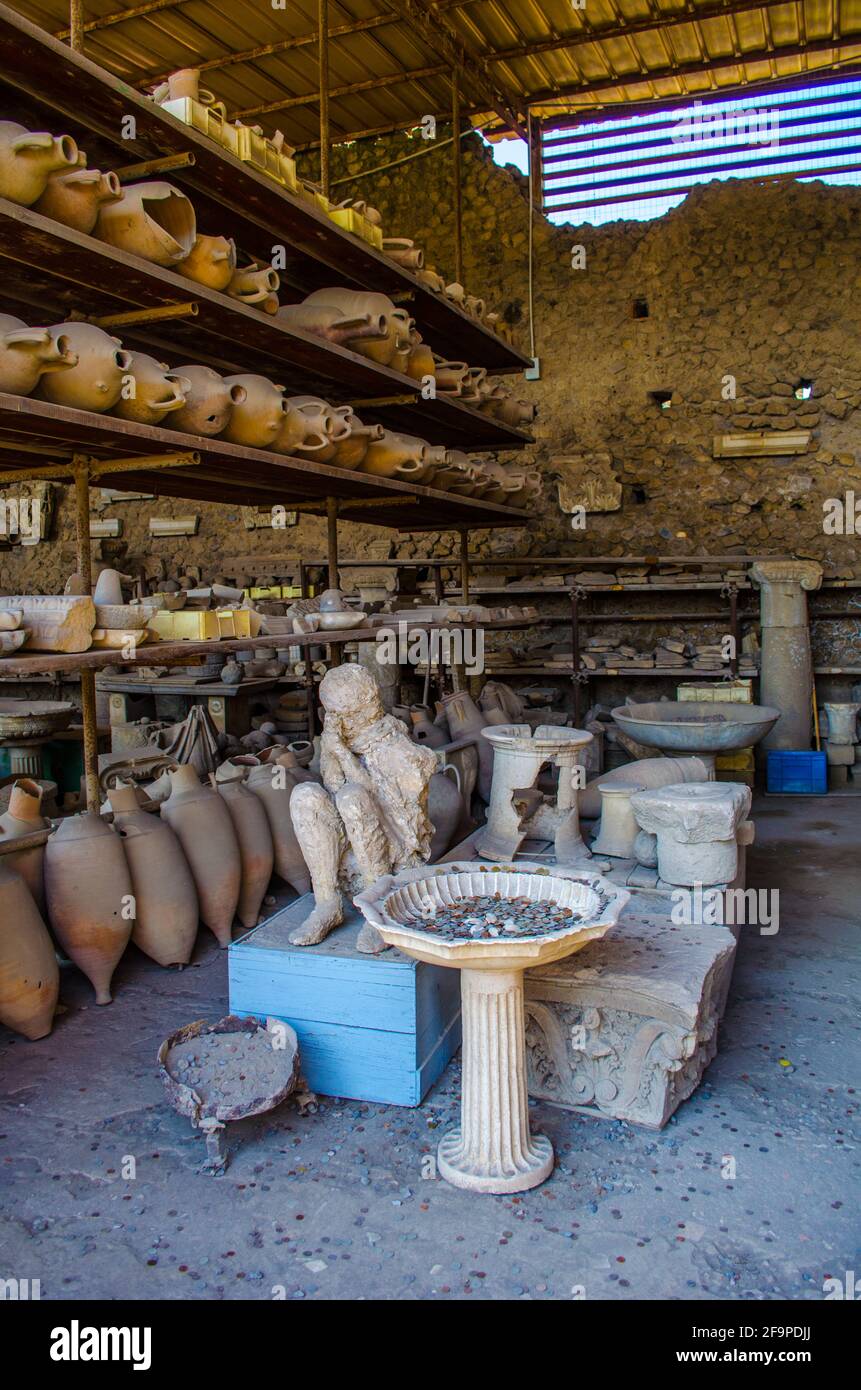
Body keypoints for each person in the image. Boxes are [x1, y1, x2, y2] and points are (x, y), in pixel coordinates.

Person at [289, 664, 437, 953]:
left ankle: (376, 906)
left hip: (390, 839)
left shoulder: (392, 740)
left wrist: (343, 754)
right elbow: (332, 784)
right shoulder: (341, 735)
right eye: (333, 714)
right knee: (304, 794)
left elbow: (373, 798)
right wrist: (332, 749)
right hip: (351, 834)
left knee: (352, 797)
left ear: (368, 706)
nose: (339, 721)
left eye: (345, 715)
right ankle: (327, 903)